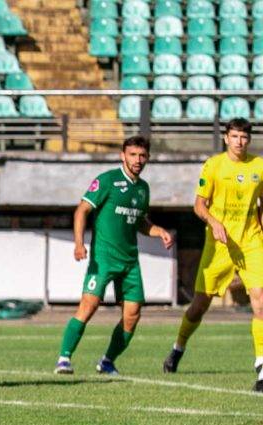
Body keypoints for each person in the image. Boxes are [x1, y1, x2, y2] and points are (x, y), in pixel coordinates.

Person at [55, 136, 173, 375]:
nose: (137, 160)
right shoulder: (107, 181)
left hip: (130, 261)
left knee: (133, 314)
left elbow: (139, 222)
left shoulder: (143, 188)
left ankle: (107, 361)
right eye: (132, 154)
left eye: (142, 155)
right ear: (123, 155)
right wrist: (79, 244)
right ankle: (64, 358)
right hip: (104, 258)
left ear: (147, 158)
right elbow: (81, 210)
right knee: (89, 305)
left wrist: (157, 230)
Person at [162, 118, 263, 391]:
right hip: (218, 245)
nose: (239, 141)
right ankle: (178, 348)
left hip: (251, 243)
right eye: (235, 136)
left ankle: (262, 367)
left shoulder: (259, 166)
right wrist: (213, 222)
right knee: (200, 304)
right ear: (226, 138)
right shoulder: (214, 165)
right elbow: (198, 205)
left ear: (249, 140)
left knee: (260, 299)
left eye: (244, 137)